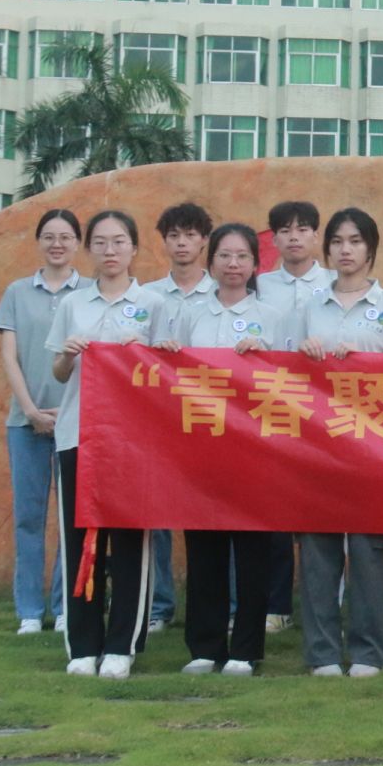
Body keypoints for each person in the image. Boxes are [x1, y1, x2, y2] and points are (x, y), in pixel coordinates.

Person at [46, 210, 166, 679]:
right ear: (89, 249)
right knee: (79, 540)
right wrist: (67, 354)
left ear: (134, 248)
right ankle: (82, 644)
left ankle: (122, 644)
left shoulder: (154, 304)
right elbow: (59, 375)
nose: (110, 251)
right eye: (100, 242)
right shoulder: (73, 304)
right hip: (78, 434)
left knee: (131, 541)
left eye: (119, 242)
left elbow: (169, 373)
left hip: (134, 442)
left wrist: (144, 353)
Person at [167, 222, 289, 675]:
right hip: (200, 447)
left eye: (242, 256)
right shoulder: (189, 314)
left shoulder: (273, 317)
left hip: (255, 449)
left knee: (253, 549)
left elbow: (293, 380)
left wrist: (265, 355)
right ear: (211, 261)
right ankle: (205, 647)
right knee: (204, 547)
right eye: (224, 255)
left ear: (256, 264)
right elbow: (171, 373)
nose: (233, 264)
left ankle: (245, 649)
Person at [295, 208, 383, 679]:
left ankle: (367, 651)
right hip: (317, 447)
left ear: (370, 248)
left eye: (355, 241)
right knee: (318, 552)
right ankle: (321, 652)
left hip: (373, 449)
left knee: (369, 552)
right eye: (337, 241)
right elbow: (281, 374)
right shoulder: (309, 307)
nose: (345, 250)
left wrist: (364, 365)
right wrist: (305, 357)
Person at [0, 207, 82, 636]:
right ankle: (29, 609)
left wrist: (66, 412)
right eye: (49, 236)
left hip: (75, 422)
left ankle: (65, 607)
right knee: (29, 517)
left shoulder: (89, 293)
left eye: (65, 237)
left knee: (71, 519)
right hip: (25, 422)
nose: (57, 244)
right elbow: (10, 356)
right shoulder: (16, 292)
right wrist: (29, 409)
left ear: (77, 243)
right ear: (39, 242)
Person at [255, 200, 335, 636]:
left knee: (326, 510)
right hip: (275, 409)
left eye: (303, 229)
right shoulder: (260, 286)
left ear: (316, 235)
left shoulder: (335, 284)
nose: (294, 237)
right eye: (284, 230)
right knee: (277, 512)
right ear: (274, 239)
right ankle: (277, 603)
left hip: (329, 415)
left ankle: (330, 602)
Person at [142, 200, 217, 636]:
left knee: (216, 513)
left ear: (204, 240)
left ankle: (222, 604)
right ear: (164, 242)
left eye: (190, 235)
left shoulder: (224, 294)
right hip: (159, 420)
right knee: (157, 514)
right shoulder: (146, 296)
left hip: (213, 422)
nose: (182, 243)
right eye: (174, 236)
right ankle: (159, 604)